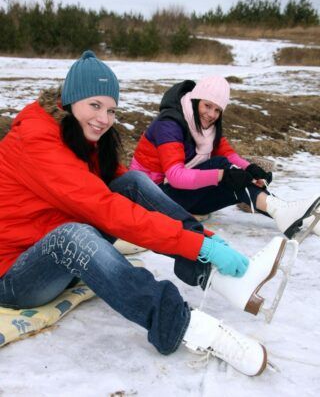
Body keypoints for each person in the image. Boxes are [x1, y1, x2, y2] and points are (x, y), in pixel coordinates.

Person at [0, 51, 288, 377]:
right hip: (15, 276)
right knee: (74, 235)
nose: (104, 119)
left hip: (54, 252)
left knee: (132, 182)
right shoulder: (37, 142)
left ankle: (214, 270)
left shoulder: (77, 133)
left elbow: (123, 196)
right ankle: (186, 326)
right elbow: (107, 210)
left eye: (111, 110)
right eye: (94, 105)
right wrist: (194, 244)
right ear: (69, 101)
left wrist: (201, 241)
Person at [130, 76, 320, 239]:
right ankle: (283, 211)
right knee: (223, 169)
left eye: (217, 110)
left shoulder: (207, 127)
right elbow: (176, 176)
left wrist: (250, 169)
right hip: (150, 198)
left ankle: (290, 214)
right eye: (207, 106)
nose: (211, 114)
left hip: (179, 198)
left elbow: (228, 153)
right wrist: (223, 175)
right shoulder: (169, 125)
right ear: (196, 100)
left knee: (234, 178)